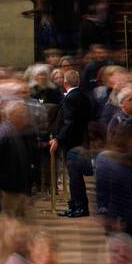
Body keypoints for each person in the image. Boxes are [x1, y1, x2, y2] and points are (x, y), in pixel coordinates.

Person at [50, 69, 94, 219]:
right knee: (75, 176)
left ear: (65, 82)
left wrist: (58, 139)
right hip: (81, 141)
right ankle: (77, 206)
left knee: (74, 176)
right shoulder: (83, 95)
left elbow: (69, 123)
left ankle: (79, 207)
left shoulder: (70, 98)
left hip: (72, 143)